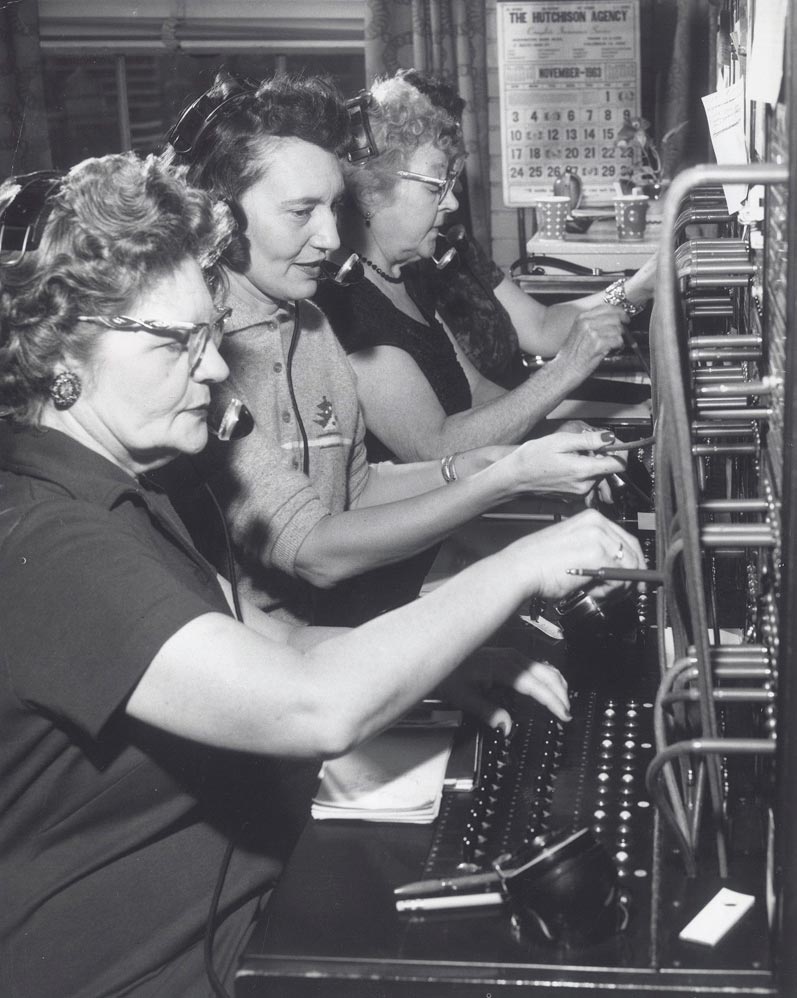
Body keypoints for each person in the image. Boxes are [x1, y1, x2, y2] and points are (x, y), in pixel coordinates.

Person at [0, 154, 644, 998]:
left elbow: (277, 636)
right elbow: (309, 701)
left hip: (244, 911)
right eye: (179, 343)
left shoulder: (148, 486)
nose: (214, 369)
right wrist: (520, 567)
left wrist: (448, 659)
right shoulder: (42, 537)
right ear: (61, 349)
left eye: (213, 336)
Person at [161, 71, 630, 626]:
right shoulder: (198, 359)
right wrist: (508, 479)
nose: (332, 238)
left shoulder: (307, 322)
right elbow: (315, 551)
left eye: (332, 208)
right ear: (222, 217)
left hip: (335, 636)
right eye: (299, 212)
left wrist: (489, 465)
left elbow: (356, 486)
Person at [315, 74, 657, 464]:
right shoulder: (345, 308)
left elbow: (476, 390)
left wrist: (546, 435)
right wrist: (567, 368)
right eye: (434, 187)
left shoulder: (403, 277)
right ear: (371, 192)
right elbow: (435, 448)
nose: (452, 204)